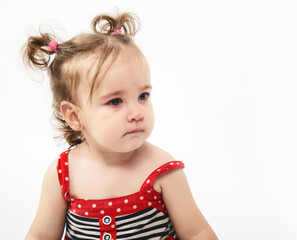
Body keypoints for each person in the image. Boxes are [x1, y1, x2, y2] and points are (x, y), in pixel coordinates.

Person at [23, 11, 218, 240]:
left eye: (143, 96)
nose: (136, 113)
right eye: (115, 101)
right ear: (74, 116)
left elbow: (197, 233)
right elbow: (42, 235)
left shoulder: (163, 170)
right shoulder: (63, 173)